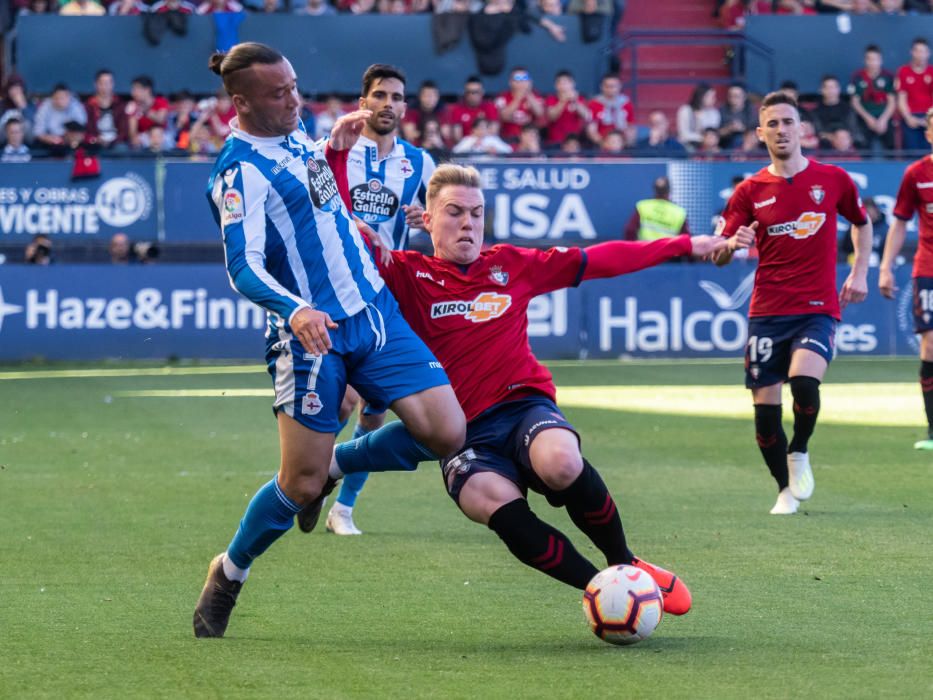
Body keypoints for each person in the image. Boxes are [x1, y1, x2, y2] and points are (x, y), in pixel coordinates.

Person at [327, 163, 747, 612]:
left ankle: (625, 563)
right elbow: (330, 228)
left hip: (522, 405)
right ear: (426, 219)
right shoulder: (404, 274)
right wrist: (343, 180)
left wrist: (687, 243)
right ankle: (605, 589)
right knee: (487, 499)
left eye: (477, 213)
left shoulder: (511, 264)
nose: (467, 223)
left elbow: (600, 259)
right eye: (453, 212)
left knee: (562, 462)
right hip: (461, 433)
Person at [192, 42, 465, 639]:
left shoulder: (298, 137)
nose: (295, 99)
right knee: (299, 484)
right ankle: (229, 572)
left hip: (374, 311)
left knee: (447, 431)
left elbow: (320, 204)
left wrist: (357, 220)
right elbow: (244, 266)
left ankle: (343, 463)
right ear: (241, 103)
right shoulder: (238, 172)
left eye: (294, 86)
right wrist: (293, 310)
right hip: (310, 338)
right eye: (279, 93)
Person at [714, 91, 872, 515]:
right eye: (773, 124)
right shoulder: (749, 191)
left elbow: (862, 222)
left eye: (788, 122)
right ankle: (784, 488)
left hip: (817, 306)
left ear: (803, 129)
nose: (782, 130)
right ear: (760, 133)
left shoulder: (834, 179)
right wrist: (732, 243)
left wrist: (859, 272)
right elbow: (717, 250)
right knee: (765, 418)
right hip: (767, 313)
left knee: (804, 382)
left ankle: (799, 448)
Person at [322, 63, 439, 536]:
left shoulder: (420, 162)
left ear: (406, 107)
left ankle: (342, 507)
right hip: (341, 289)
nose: (388, 104)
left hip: (390, 294)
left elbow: (434, 221)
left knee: (374, 408)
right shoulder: (336, 152)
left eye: (396, 97)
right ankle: (312, 480)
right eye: (380, 96)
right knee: (343, 402)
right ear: (362, 102)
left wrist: (424, 219)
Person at [879, 107, 933, 449]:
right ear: (928, 133)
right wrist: (885, 266)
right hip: (928, 269)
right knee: (930, 344)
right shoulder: (916, 173)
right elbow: (899, 222)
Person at [848, 45, 896, 152]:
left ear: (881, 60)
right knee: (863, 146)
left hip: (884, 118)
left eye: (875, 59)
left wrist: (883, 120)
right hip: (865, 118)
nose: (872, 62)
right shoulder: (857, 77)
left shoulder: (888, 76)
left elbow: (892, 101)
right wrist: (869, 119)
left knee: (891, 145)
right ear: (865, 60)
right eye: (869, 59)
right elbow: (855, 102)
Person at [623, 176, 690, 242]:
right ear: (669, 191)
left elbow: (630, 231)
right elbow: (686, 240)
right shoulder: (679, 212)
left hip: (645, 251)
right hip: (668, 252)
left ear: (655, 190)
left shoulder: (643, 206)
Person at [896, 38, 933, 151]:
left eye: (923, 51)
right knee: (911, 155)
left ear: (928, 53)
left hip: (929, 118)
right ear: (912, 52)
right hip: (910, 118)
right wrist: (908, 118)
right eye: (917, 51)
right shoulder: (903, 71)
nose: (920, 55)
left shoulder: (932, 72)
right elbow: (901, 98)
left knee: (929, 156)